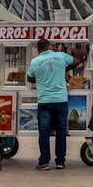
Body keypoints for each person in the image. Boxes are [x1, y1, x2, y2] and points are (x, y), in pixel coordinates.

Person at [27, 38, 78, 170]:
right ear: (49, 46)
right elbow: (76, 62)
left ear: (38, 50)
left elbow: (29, 78)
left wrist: (40, 78)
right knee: (61, 131)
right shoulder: (60, 56)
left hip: (44, 101)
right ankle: (60, 161)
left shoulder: (35, 61)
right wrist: (64, 69)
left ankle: (44, 162)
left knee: (44, 132)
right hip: (61, 100)